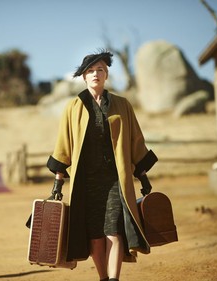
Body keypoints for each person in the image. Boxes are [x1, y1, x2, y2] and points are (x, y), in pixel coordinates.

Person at [46, 50, 158, 281]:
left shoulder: (122, 105)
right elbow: (63, 146)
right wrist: (57, 184)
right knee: (96, 237)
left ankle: (114, 279)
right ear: (84, 77)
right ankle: (103, 278)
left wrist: (143, 177)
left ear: (106, 75)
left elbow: (136, 141)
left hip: (115, 180)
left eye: (100, 70)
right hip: (86, 184)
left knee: (113, 232)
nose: (95, 74)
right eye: (90, 71)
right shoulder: (73, 107)